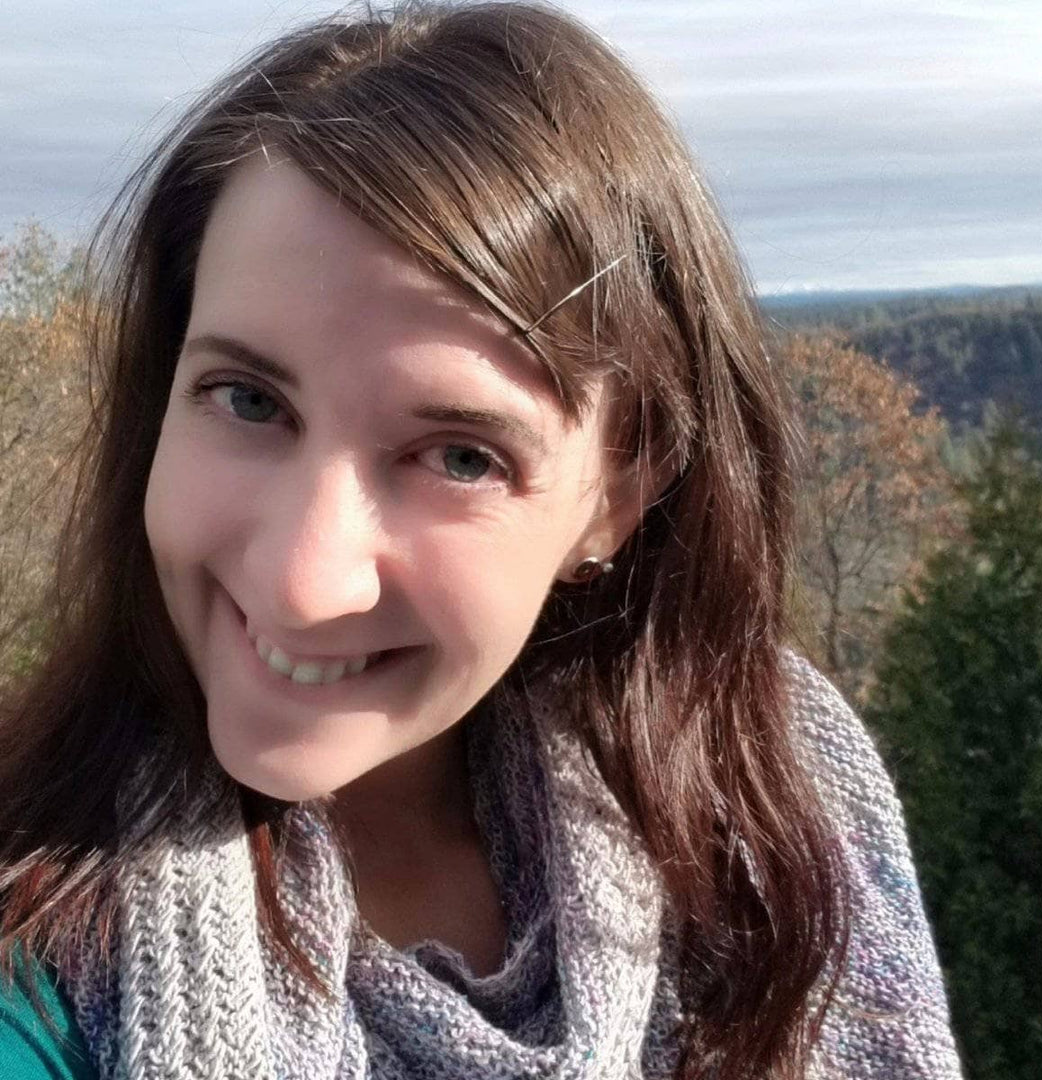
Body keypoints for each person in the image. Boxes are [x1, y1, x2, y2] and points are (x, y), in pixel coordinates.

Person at [0, 2, 964, 1077]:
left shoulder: (782, 817)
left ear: (621, 491)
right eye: (247, 399)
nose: (303, 580)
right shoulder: (38, 989)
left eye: (462, 457)